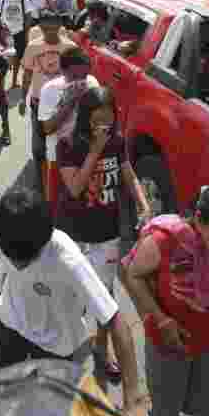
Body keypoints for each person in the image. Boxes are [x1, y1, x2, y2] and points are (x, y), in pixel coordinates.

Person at [0, 188, 147, 416]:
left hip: (57, 345)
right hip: (12, 324)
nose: (17, 266)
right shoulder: (5, 232)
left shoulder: (68, 259)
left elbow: (116, 321)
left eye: (23, 260)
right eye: (11, 257)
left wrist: (133, 399)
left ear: (43, 243)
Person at [121, 184, 209, 416]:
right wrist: (161, 319)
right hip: (167, 344)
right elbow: (132, 274)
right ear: (199, 220)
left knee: (200, 406)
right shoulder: (165, 240)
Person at [56, 86, 153, 383]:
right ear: (85, 117)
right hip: (74, 232)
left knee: (103, 293)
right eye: (97, 119)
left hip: (106, 232)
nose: (103, 125)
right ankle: (66, 343)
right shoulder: (68, 144)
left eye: (108, 118)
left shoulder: (117, 141)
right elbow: (74, 188)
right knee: (71, 291)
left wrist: (143, 204)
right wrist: (95, 151)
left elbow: (129, 175)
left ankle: (102, 347)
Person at [20, 10, 76, 186]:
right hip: (38, 103)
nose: (50, 31)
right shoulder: (32, 47)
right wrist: (23, 98)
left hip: (63, 103)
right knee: (38, 147)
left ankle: (63, 178)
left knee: (64, 144)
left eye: (54, 26)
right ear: (41, 27)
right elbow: (27, 74)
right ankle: (40, 181)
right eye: (46, 27)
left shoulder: (70, 47)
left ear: (60, 26)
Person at [37, 47, 100, 204]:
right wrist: (70, 102)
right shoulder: (49, 90)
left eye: (84, 75)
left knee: (88, 202)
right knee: (58, 205)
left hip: (86, 154)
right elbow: (47, 128)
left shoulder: (92, 83)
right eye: (74, 76)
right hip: (58, 158)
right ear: (63, 71)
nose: (80, 80)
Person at [0, 0, 36, 90]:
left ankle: (14, 81)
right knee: (2, 58)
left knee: (17, 58)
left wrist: (25, 30)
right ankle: (1, 82)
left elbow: (28, 16)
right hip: (4, 34)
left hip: (19, 33)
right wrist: (2, 27)